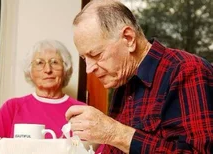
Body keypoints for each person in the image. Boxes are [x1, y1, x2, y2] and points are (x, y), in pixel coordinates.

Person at [65, 0, 213, 153]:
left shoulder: (187, 70)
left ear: (129, 39)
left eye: (96, 55)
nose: (89, 69)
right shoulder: (123, 83)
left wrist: (114, 132)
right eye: (84, 58)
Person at [0, 39, 86, 139]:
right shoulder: (12, 107)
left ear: (65, 69)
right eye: (39, 63)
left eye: (55, 62)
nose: (48, 70)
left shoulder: (81, 110)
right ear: (30, 71)